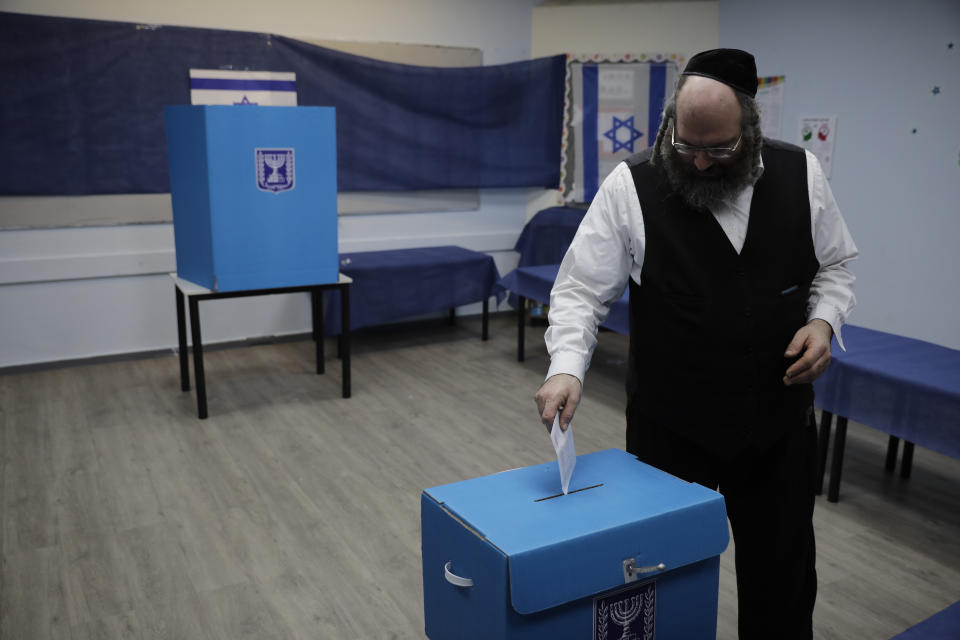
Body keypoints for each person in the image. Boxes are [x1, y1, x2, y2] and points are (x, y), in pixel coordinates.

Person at [534, 48, 857, 639]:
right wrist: (566, 368)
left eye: (719, 149)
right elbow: (580, 290)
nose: (701, 163)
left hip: (777, 429)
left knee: (781, 581)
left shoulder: (802, 174)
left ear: (751, 128)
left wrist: (825, 322)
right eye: (686, 146)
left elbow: (834, 268)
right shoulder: (631, 186)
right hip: (671, 429)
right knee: (660, 576)